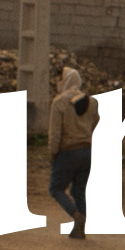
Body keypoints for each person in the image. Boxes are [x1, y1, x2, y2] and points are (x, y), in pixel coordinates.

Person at [46, 66, 98, 239]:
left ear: (65, 81)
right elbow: (95, 120)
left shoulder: (59, 102)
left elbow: (55, 134)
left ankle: (76, 215)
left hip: (68, 152)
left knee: (56, 188)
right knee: (79, 191)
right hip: (87, 151)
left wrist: (53, 154)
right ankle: (80, 230)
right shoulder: (91, 101)